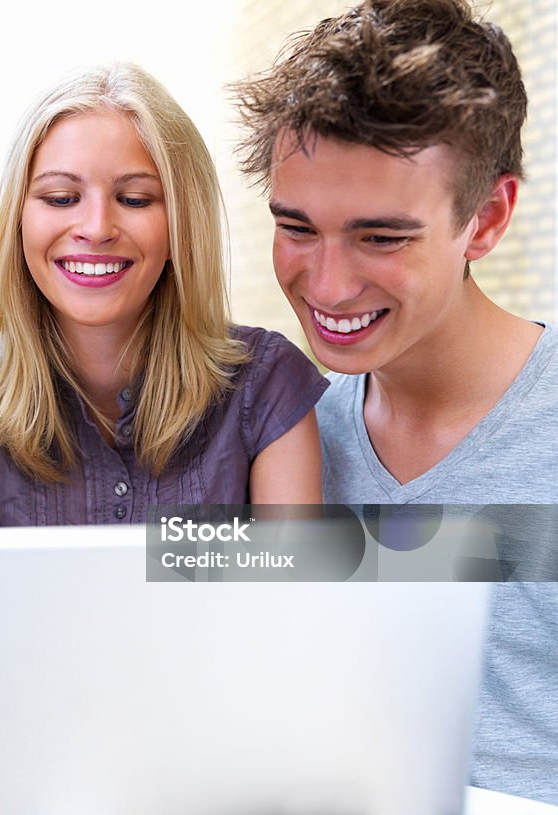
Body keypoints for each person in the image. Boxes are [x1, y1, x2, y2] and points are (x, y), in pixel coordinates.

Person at [234, 0, 558, 803]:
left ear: (486, 218)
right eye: (297, 227)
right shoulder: (285, 438)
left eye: (382, 237)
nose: (329, 284)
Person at [0, 63, 326, 528]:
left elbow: (290, 590)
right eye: (62, 198)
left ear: (181, 226)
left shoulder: (267, 385)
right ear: (18, 221)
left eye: (136, 200)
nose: (97, 228)